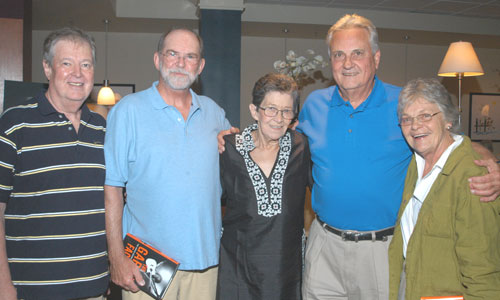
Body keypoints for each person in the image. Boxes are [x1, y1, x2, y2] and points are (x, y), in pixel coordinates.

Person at [297, 14, 500, 300]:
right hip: (324, 246)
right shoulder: (314, 104)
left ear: (376, 58)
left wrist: (489, 164)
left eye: (358, 53)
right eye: (338, 54)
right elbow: (283, 141)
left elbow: (450, 141)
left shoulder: (403, 104)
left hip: (381, 249)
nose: (347, 63)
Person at [104, 28, 231, 300]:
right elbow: (112, 188)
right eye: (172, 54)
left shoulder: (214, 113)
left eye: (190, 56)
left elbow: (235, 170)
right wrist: (116, 258)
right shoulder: (128, 111)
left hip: (204, 263)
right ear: (157, 60)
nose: (180, 63)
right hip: (147, 266)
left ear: (201, 65)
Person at [0, 28, 109, 300]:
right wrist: (4, 286)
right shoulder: (14, 124)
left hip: (93, 288)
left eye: (86, 64)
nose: (78, 73)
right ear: (47, 69)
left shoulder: (102, 129)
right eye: (66, 63)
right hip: (32, 290)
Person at [388, 78, 500, 299]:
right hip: (411, 288)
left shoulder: (471, 176)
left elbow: (482, 271)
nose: (415, 126)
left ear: (448, 119)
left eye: (425, 116)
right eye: (407, 119)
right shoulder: (416, 163)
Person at [216, 73, 311, 300]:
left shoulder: (300, 147)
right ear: (254, 111)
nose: (278, 118)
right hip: (238, 269)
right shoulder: (229, 148)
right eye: (270, 109)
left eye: (286, 111)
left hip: (285, 272)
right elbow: (205, 197)